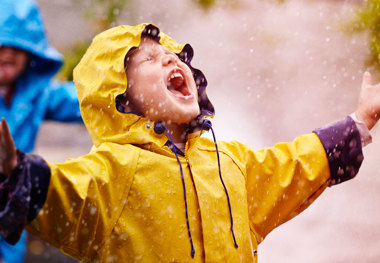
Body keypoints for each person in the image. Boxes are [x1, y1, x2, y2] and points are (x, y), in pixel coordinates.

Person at [0, 23, 379, 262]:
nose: (170, 60)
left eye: (172, 55)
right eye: (149, 59)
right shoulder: (113, 175)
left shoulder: (228, 162)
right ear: (122, 99)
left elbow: (291, 165)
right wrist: (14, 173)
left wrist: (359, 122)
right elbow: (61, 193)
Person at [0, 0, 82, 262]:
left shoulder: (37, 94)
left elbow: (81, 101)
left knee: (11, 252)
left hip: (14, 197)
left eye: (18, 47)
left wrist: (129, 97)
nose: (7, 53)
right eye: (1, 45)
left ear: (32, 53)